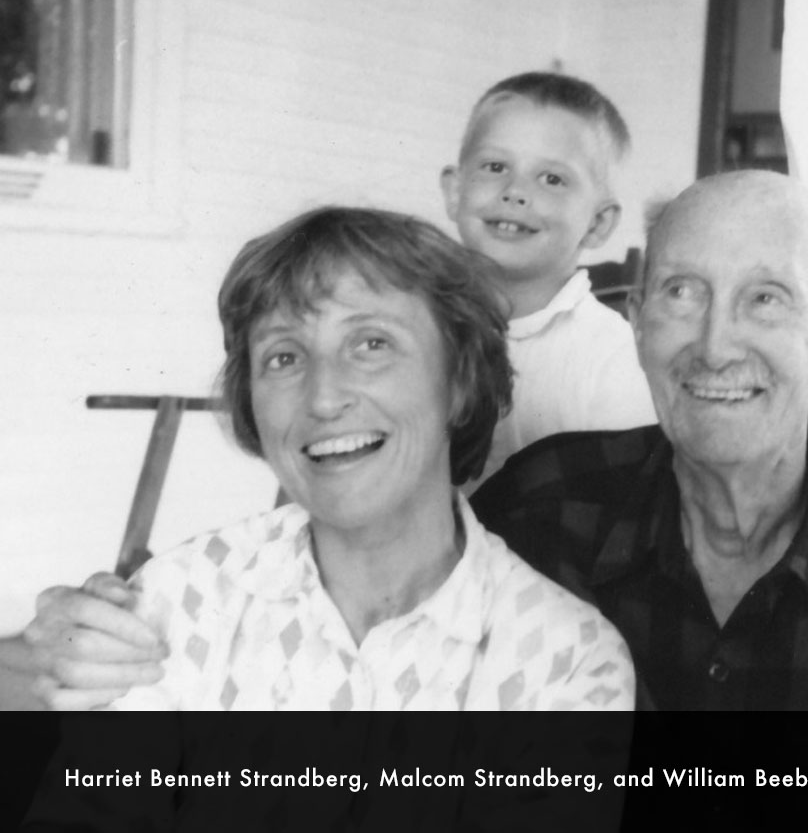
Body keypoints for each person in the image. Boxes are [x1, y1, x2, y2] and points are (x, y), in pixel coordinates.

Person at [21, 170, 808, 712]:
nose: (715, 340)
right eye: (678, 292)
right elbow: (379, 528)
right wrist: (84, 621)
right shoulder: (548, 505)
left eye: (767, 297)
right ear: (635, 321)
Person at [16, 206, 633, 713]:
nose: (324, 396)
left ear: (460, 382)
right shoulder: (182, 601)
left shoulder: (564, 657)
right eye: (283, 357)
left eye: (371, 344)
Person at [440, 71, 656, 486]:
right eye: (496, 166)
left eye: (552, 178)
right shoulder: (415, 328)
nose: (516, 191)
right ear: (455, 191)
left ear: (597, 223)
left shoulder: (615, 360)